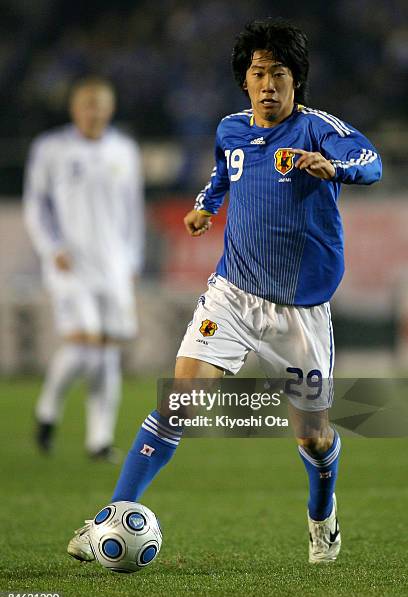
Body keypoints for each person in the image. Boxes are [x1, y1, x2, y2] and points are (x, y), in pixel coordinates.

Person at [67, 19, 381, 563]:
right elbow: (223, 173)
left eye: (279, 74)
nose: (268, 85)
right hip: (232, 295)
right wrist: (204, 207)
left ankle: (322, 517)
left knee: (313, 437)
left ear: (295, 81)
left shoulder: (316, 130)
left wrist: (335, 168)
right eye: (258, 73)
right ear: (245, 80)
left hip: (300, 313)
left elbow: (369, 160)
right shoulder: (231, 129)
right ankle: (107, 522)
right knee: (179, 403)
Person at [24, 77, 144, 461]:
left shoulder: (124, 150)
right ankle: (47, 411)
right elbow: (35, 204)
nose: (95, 111)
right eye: (88, 104)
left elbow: (133, 210)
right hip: (70, 263)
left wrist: (132, 260)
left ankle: (99, 441)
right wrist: (50, 247)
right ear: (75, 108)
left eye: (101, 104)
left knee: (107, 352)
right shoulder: (51, 148)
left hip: (113, 264)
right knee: (85, 343)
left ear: (110, 109)